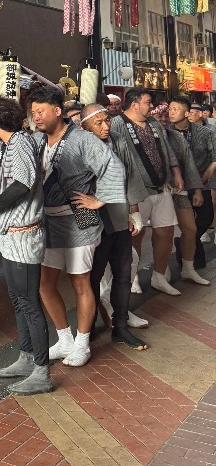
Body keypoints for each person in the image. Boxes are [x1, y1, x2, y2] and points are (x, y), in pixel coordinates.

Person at [28, 84, 126, 368]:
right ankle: (64, 338)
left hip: (79, 218)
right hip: (49, 219)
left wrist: (99, 200)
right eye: (33, 112)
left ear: (57, 111)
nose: (36, 117)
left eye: (41, 111)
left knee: (80, 282)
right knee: (45, 284)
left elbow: (113, 167)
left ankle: (83, 343)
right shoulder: (37, 140)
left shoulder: (82, 139)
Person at [0, 97, 52, 394]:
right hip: (11, 233)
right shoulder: (7, 143)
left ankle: (42, 371)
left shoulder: (20, 142)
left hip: (24, 235)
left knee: (29, 302)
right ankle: (27, 356)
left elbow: (23, 183)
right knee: (17, 297)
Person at [77, 105, 147, 350]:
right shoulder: (79, 144)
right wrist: (93, 201)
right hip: (93, 221)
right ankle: (87, 327)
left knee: (123, 273)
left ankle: (120, 326)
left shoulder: (117, 140)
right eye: (99, 123)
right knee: (92, 276)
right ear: (84, 126)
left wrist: (133, 211)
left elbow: (130, 176)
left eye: (107, 120)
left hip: (118, 214)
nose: (106, 126)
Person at [110, 88, 184, 296]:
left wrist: (176, 172)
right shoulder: (117, 124)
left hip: (162, 187)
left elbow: (167, 149)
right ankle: (132, 276)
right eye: (148, 102)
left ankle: (159, 276)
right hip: (136, 191)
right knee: (135, 234)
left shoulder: (153, 123)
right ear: (134, 104)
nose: (152, 106)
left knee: (166, 231)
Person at [166, 95, 212, 285]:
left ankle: (185, 248)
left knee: (204, 218)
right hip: (174, 186)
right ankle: (184, 261)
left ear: (187, 113)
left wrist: (208, 172)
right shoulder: (166, 133)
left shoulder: (204, 132)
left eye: (176, 109)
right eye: (169, 109)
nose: (171, 112)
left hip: (199, 181)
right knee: (176, 227)